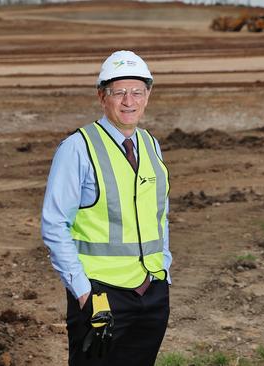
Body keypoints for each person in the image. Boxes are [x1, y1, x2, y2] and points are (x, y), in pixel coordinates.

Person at [41, 50, 172, 366]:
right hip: (100, 295)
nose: (129, 101)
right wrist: (82, 291)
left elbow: (159, 214)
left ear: (148, 96)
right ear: (102, 97)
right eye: (119, 92)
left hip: (151, 292)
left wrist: (164, 272)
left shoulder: (151, 145)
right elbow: (54, 224)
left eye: (137, 92)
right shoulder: (78, 148)